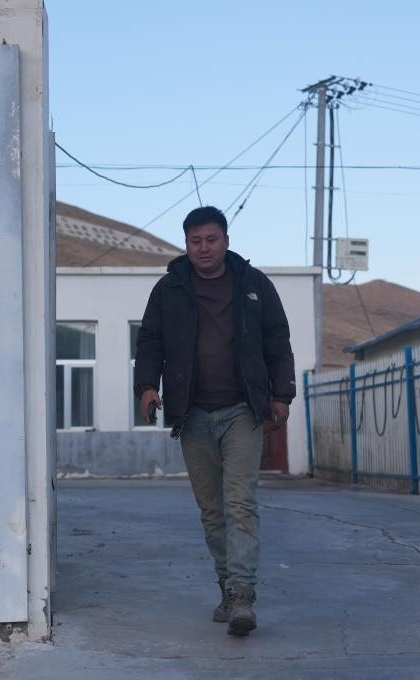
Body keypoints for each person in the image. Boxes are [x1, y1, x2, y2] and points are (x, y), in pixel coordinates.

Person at [133, 205, 295, 637]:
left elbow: (278, 340)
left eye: (211, 239)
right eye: (195, 241)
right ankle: (227, 587)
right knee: (212, 510)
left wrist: (282, 394)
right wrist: (146, 387)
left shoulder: (253, 284)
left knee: (239, 502)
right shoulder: (169, 289)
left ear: (226, 240)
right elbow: (149, 342)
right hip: (192, 414)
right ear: (186, 244)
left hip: (243, 409)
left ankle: (242, 594)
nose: (203, 248)